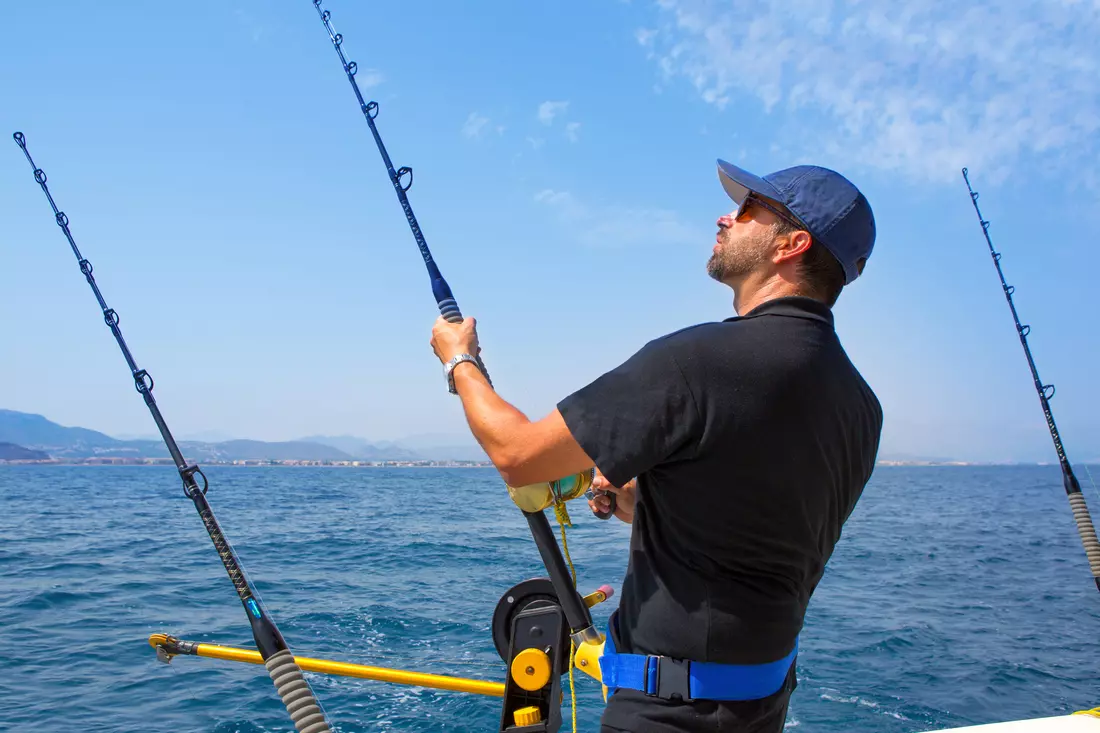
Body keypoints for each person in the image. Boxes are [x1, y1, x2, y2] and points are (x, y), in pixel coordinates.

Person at [429, 159, 884, 732]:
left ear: (791, 243)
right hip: (762, 707)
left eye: (747, 210)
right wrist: (644, 496)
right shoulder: (861, 406)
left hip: (667, 715)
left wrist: (459, 359)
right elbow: (754, 526)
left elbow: (517, 455)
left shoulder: (698, 361)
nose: (726, 216)